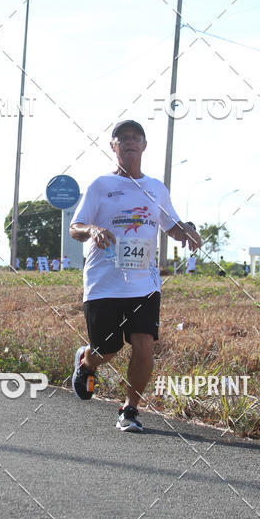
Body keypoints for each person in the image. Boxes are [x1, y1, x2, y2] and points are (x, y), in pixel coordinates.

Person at [70, 120, 201, 432]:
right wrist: (93, 229)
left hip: (144, 283)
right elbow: (75, 228)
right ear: (113, 146)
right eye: (122, 138)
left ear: (144, 146)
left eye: (135, 138)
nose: (129, 142)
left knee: (144, 344)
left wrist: (189, 231)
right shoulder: (100, 186)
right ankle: (87, 362)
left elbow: (173, 225)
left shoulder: (156, 188)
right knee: (108, 349)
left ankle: (129, 410)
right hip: (104, 283)